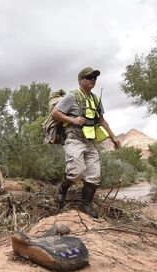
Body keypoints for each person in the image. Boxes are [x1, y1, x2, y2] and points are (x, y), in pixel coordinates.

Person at [50, 67, 121, 218]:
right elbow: (55, 113)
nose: (93, 80)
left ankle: (85, 204)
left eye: (95, 78)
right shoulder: (71, 97)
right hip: (74, 140)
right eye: (89, 77)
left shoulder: (96, 100)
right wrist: (72, 120)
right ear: (80, 80)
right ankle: (62, 189)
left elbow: (101, 120)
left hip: (90, 142)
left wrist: (113, 137)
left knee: (94, 176)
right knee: (77, 172)